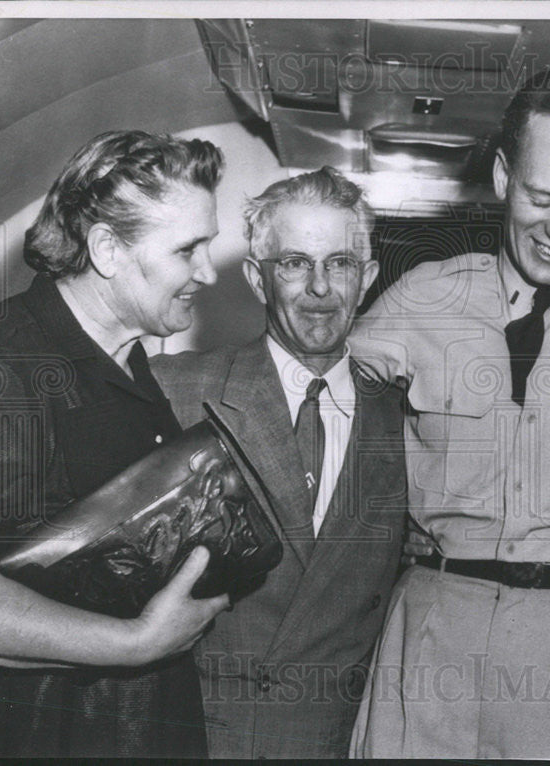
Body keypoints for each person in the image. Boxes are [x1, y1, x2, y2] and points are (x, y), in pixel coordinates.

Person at [347, 69, 550, 758]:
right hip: (430, 630)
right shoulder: (423, 299)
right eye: (543, 197)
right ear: (505, 176)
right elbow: (311, 401)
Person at [0, 130, 231, 758]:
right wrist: (134, 644)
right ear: (106, 247)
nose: (208, 272)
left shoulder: (127, 359)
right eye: (188, 250)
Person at [150, 166, 407, 759]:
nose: (319, 288)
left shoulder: (409, 419)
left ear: (366, 277)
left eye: (339, 264)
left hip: (334, 740)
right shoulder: (175, 390)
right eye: (293, 263)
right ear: (257, 279)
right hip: (197, 735)